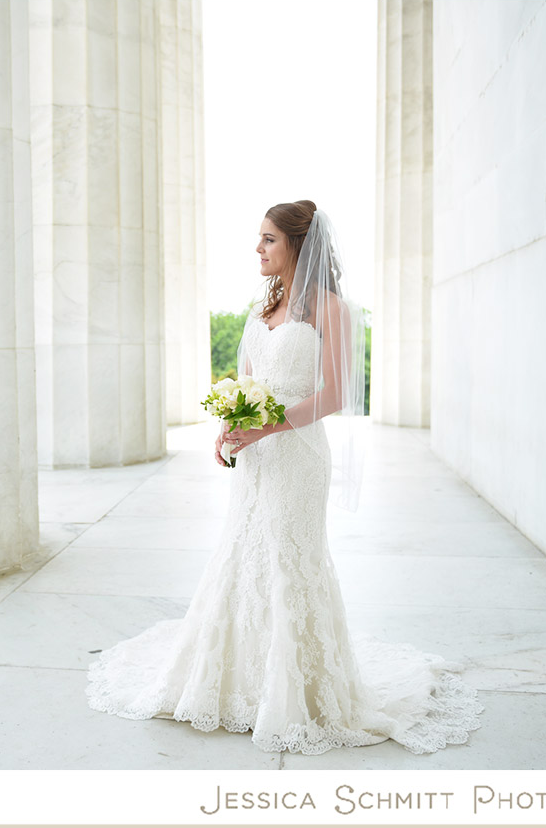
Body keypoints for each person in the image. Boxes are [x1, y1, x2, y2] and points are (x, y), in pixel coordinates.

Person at [85, 200, 484, 755]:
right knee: (243, 554)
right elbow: (246, 379)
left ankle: (296, 692)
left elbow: (337, 394)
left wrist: (265, 429)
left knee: (290, 560)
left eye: (269, 239)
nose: (258, 249)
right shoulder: (262, 306)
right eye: (260, 238)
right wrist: (228, 428)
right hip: (255, 455)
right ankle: (239, 683)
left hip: (296, 457)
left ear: (298, 245)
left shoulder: (332, 309)